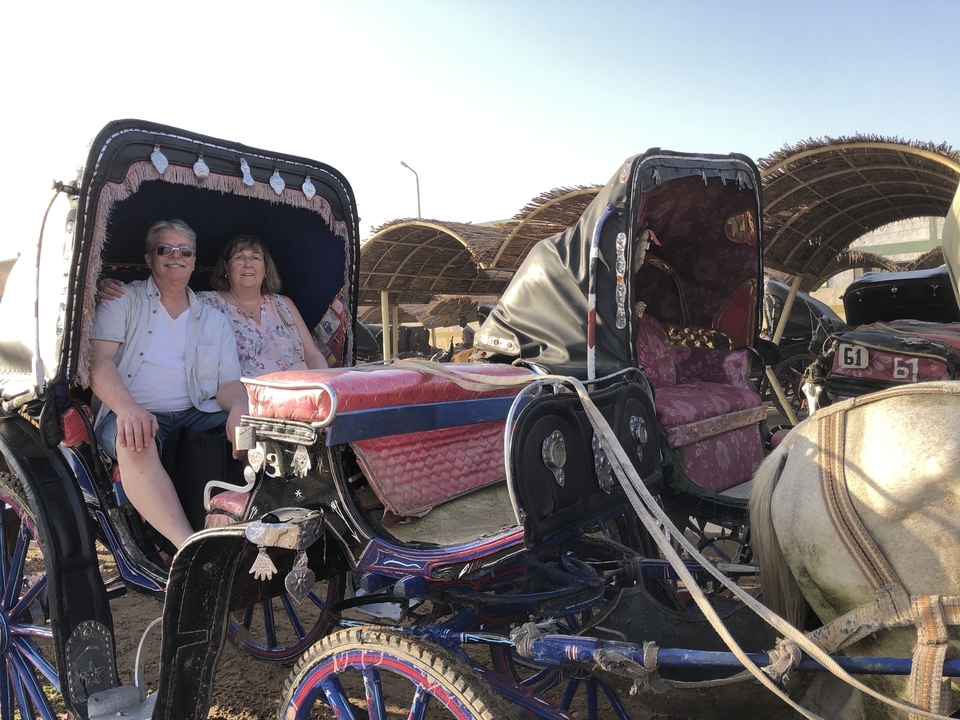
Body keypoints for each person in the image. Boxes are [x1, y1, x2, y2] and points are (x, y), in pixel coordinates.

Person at [90, 220, 248, 549]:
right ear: (150, 258)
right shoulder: (123, 300)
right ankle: (188, 548)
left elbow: (227, 384)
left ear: (193, 260)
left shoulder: (213, 320)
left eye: (184, 251)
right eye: (166, 249)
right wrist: (128, 409)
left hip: (196, 411)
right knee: (135, 436)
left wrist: (242, 407)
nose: (176, 256)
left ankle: (252, 525)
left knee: (259, 429)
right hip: (129, 410)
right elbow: (98, 362)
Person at [100, 234, 328, 377]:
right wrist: (106, 289)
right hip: (251, 404)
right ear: (226, 269)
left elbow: (313, 355)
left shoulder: (283, 304)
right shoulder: (204, 302)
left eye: (256, 258)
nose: (248, 263)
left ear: (265, 268)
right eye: (239, 257)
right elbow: (158, 296)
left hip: (303, 395)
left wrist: (326, 390)